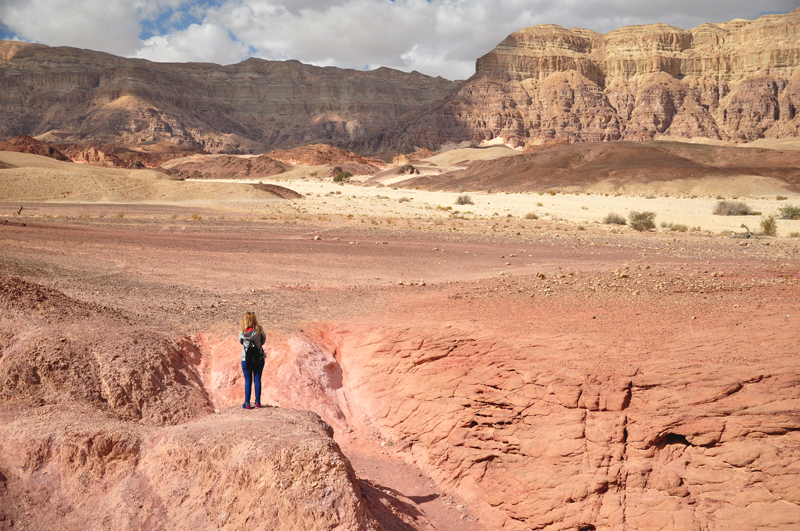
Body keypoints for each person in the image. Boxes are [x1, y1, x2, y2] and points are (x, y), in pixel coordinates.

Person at [239, 312, 266, 409]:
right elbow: (263, 341)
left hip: (246, 359)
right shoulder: (260, 331)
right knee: (257, 379)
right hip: (258, 357)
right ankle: (257, 402)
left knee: (248, 381)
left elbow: (241, 341)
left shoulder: (242, 332)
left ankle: (247, 403)